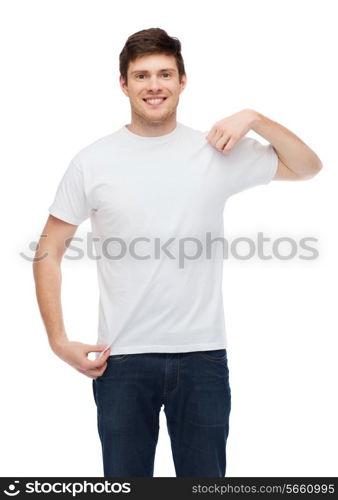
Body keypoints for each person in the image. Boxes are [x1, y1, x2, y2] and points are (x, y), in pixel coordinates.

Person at [33, 27, 322, 478]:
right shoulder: (93, 161)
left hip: (203, 357)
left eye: (165, 74)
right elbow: (49, 250)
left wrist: (256, 119)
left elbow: (308, 167)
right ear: (124, 84)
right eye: (142, 75)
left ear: (182, 82)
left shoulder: (216, 151)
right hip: (121, 360)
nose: (154, 86)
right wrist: (58, 340)